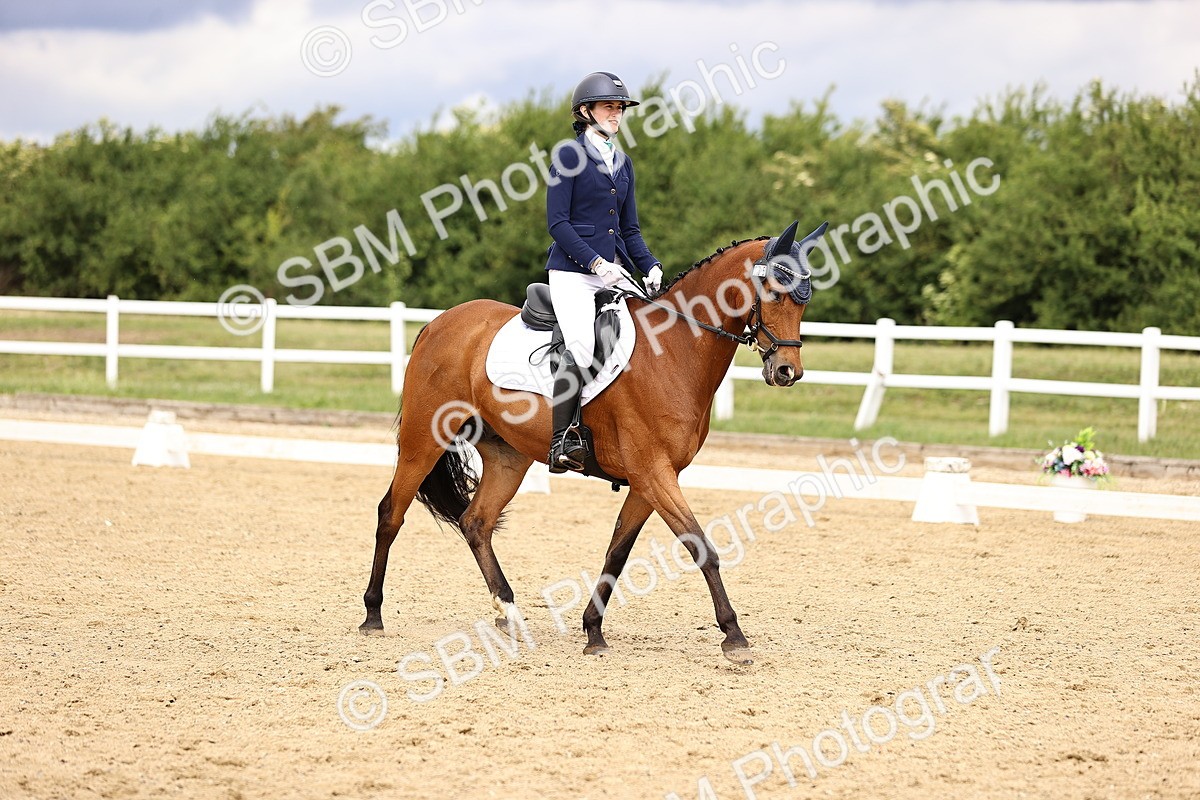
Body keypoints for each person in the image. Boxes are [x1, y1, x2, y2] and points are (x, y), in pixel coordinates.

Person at [544, 71, 664, 473]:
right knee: (581, 346)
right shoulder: (567, 155)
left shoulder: (623, 162)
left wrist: (650, 266)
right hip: (573, 272)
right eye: (610, 107)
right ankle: (562, 442)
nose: (617, 114)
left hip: (614, 270)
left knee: (649, 338)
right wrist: (594, 263)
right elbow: (557, 223)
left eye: (620, 108)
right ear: (585, 111)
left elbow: (629, 229)